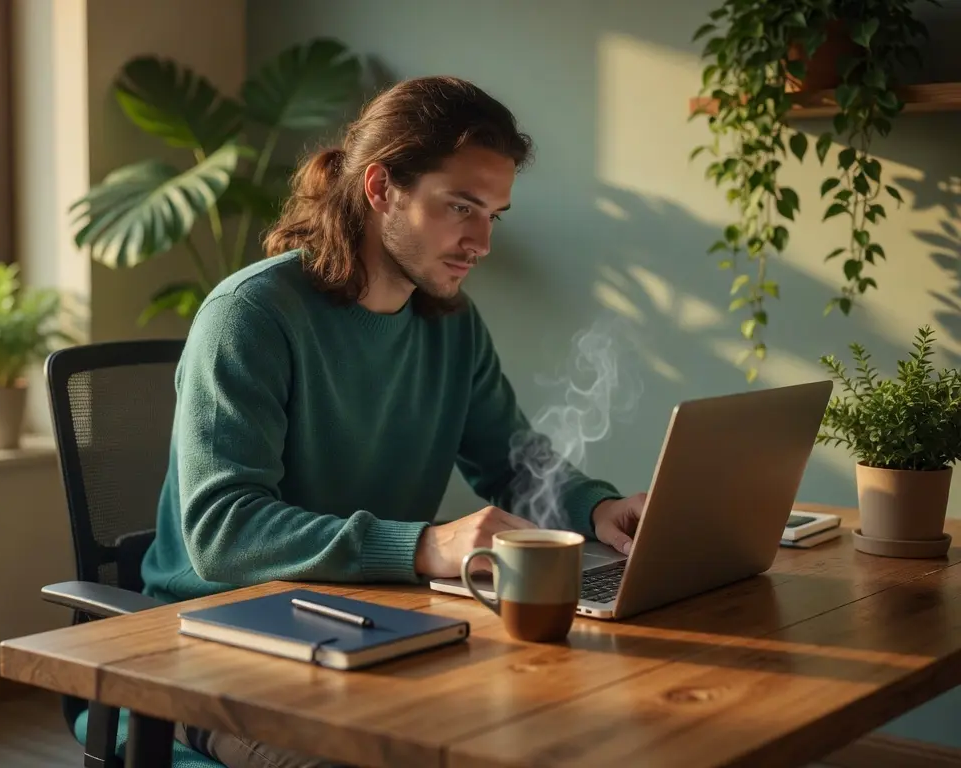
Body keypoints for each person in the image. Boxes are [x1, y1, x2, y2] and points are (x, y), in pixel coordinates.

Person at [138, 74, 646, 768]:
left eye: (494, 214)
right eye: (460, 206)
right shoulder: (252, 316)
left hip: (366, 631)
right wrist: (423, 547)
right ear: (380, 189)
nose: (481, 241)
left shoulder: (451, 325)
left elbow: (511, 462)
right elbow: (222, 532)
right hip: (210, 649)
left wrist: (600, 507)